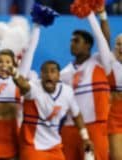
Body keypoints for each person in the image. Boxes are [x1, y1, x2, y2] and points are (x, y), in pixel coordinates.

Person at [0, 4, 57, 159]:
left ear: (14, 64)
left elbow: (31, 50)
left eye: (7, 62)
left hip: (12, 133)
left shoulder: (19, 77)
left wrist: (37, 26)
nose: (3, 64)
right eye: (0, 61)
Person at [11, 60, 93, 160]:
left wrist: (85, 138)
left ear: (59, 76)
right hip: (32, 146)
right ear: (41, 75)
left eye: (52, 71)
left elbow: (77, 115)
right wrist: (15, 73)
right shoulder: (34, 88)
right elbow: (23, 85)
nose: (49, 75)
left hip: (54, 146)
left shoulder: (67, 92)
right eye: (45, 72)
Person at [60, 11, 111, 160]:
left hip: (96, 126)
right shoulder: (64, 73)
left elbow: (104, 40)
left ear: (88, 45)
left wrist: (100, 15)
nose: (72, 44)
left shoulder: (99, 61)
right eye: (71, 41)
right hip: (70, 128)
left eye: (76, 41)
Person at [93, 8, 122, 160]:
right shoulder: (110, 63)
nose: (120, 47)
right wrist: (102, 14)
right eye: (118, 44)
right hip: (114, 118)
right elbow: (103, 39)